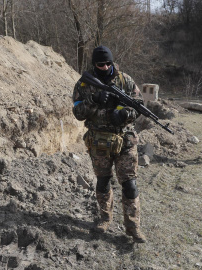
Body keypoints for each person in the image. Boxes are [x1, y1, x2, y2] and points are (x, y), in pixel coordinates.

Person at [72, 46, 146, 243]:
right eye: (100, 64)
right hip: (99, 142)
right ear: (94, 64)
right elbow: (78, 113)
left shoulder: (125, 80)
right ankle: (105, 218)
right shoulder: (83, 85)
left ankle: (133, 227)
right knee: (103, 182)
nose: (105, 67)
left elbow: (138, 106)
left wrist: (124, 113)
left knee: (130, 185)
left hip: (125, 140)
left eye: (108, 63)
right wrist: (94, 100)